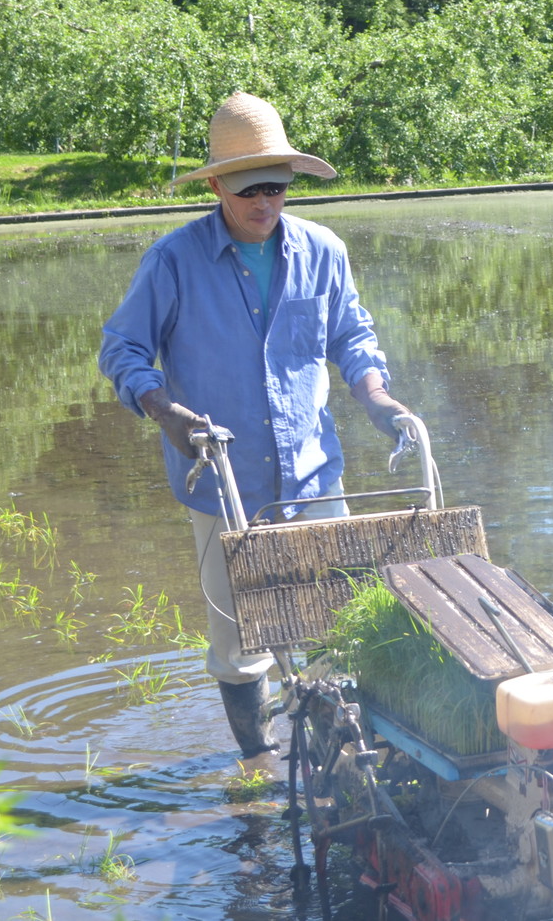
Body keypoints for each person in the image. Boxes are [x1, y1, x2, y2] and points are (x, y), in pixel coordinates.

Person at [98, 91, 411, 757]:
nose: (264, 203)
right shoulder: (174, 262)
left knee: (345, 622)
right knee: (241, 639)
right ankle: (260, 766)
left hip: (313, 470)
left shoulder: (323, 252)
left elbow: (354, 339)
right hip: (220, 477)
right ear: (215, 185)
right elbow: (122, 349)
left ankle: (338, 763)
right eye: (248, 191)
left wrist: (381, 399)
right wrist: (167, 411)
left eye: (276, 187)